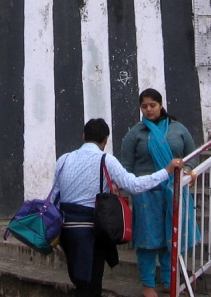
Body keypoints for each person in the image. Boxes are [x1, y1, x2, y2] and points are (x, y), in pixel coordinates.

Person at [51, 118, 185, 297]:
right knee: (92, 283)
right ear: (106, 139)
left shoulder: (63, 159)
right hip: (91, 230)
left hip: (66, 229)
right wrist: (166, 171)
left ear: (84, 136)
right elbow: (133, 185)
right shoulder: (106, 160)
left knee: (79, 280)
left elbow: (54, 196)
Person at [120, 88, 197, 297]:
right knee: (147, 240)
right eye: (144, 106)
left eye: (152, 105)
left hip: (173, 191)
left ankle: (168, 281)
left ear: (160, 105)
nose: (148, 110)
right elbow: (125, 166)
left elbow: (192, 156)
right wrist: (126, 195)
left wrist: (189, 171)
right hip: (146, 193)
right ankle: (147, 285)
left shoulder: (178, 129)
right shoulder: (135, 133)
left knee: (169, 238)